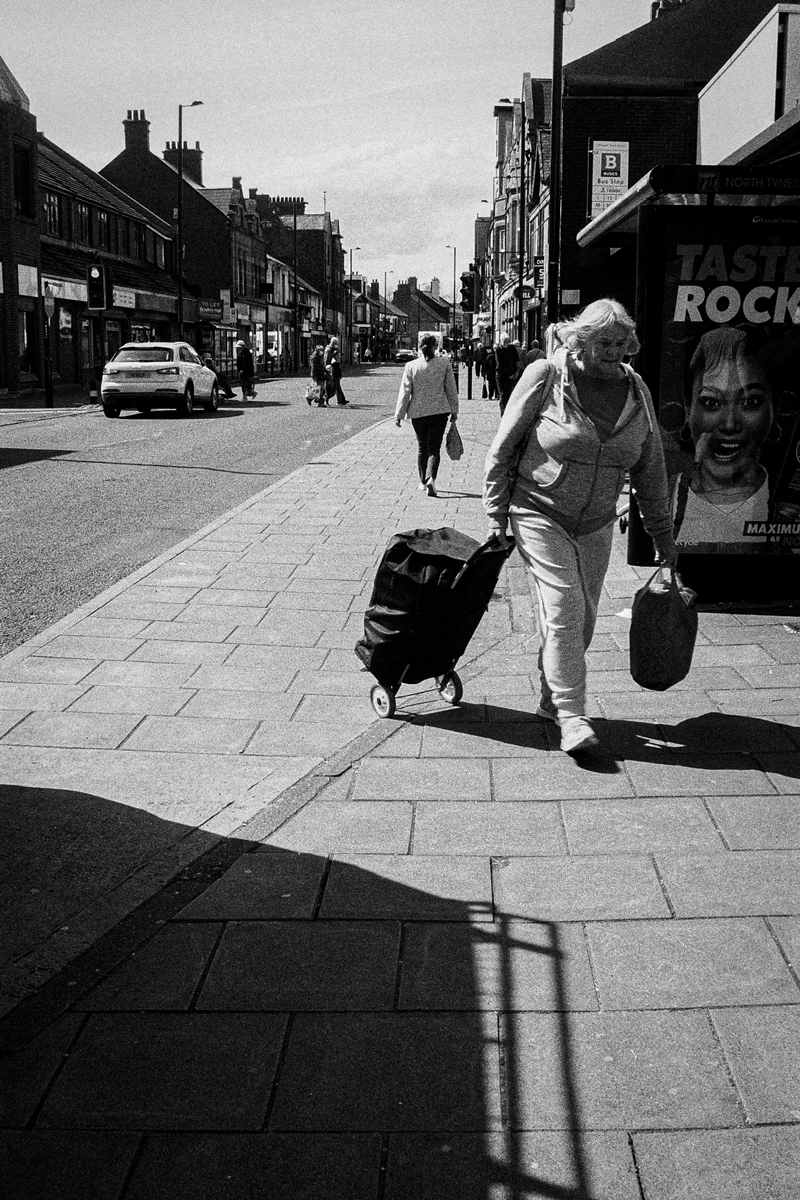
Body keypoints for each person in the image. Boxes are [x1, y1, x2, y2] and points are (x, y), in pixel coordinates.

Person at [483, 298, 678, 756]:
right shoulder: (546, 377)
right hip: (538, 509)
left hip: (596, 521)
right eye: (603, 342)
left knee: (583, 620)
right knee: (565, 606)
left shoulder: (637, 390)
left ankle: (551, 700)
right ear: (581, 339)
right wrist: (495, 511)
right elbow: (503, 446)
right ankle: (572, 717)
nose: (614, 351)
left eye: (620, 343)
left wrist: (663, 535)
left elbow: (651, 466)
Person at [671, 326, 774, 550]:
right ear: (688, 407)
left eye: (750, 402)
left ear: (773, 408)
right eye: (711, 402)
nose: (729, 424)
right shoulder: (664, 498)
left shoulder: (787, 506)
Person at [395, 332, 459, 497]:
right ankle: (431, 479)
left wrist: (399, 414)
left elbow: (405, 392)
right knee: (434, 448)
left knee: (422, 447)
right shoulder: (444, 364)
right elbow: (451, 389)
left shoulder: (411, 366)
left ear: (419, 347)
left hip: (418, 413)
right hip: (439, 412)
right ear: (435, 346)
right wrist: (454, 410)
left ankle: (423, 482)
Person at [495, 335, 520, 415]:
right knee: (503, 394)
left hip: (512, 375)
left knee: (510, 393)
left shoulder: (512, 348)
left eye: (508, 341)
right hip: (501, 375)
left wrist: (516, 372)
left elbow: (516, 360)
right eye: (504, 341)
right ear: (501, 341)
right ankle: (503, 412)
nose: (506, 343)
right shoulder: (498, 350)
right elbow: (500, 364)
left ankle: (508, 411)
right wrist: (508, 374)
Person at [324, 335, 348, 405]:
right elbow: (327, 361)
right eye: (336, 343)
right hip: (331, 370)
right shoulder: (329, 350)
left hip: (334, 370)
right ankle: (324, 399)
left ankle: (341, 400)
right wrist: (328, 369)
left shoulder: (332, 350)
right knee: (332, 387)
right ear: (333, 343)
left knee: (336, 386)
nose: (337, 345)